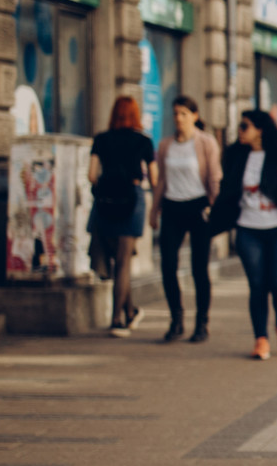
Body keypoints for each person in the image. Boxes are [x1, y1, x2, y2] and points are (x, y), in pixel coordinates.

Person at [210, 109, 277, 360]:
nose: (240, 131)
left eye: (245, 126)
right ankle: (261, 339)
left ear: (260, 130)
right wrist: (214, 221)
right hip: (248, 229)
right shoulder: (236, 155)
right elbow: (226, 191)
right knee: (257, 286)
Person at [89, 96, 158, 337]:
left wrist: (106, 183)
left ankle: (130, 312)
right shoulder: (143, 141)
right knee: (124, 261)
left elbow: (91, 174)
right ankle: (117, 319)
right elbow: (154, 176)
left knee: (115, 261)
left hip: (106, 201)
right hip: (132, 198)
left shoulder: (101, 139)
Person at [152, 95, 220, 343]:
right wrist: (154, 210)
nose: (178, 118)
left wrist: (215, 207)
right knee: (168, 265)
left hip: (199, 206)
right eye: (175, 114)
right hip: (172, 207)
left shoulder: (205, 143)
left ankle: (202, 323)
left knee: (199, 268)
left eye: (183, 113)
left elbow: (214, 177)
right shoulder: (166, 145)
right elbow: (161, 180)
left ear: (195, 115)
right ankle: (176, 319)